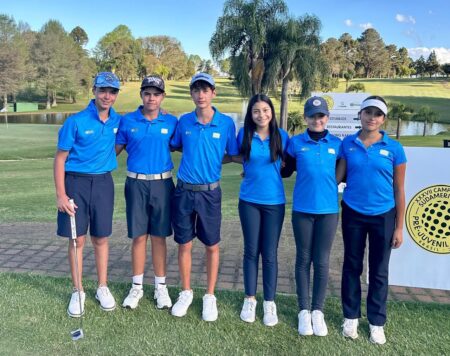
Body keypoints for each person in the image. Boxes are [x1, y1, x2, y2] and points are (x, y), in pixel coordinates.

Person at [336, 95, 406, 345]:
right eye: (368, 112)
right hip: (353, 212)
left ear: (383, 119)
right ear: (360, 115)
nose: (372, 118)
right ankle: (351, 316)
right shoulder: (348, 143)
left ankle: (376, 322)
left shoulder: (394, 148)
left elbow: (399, 189)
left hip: (384, 215)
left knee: (379, 271)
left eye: (377, 114)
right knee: (352, 266)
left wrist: (399, 226)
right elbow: (337, 178)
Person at [169, 73, 239, 322]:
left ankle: (210, 296)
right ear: (192, 94)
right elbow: (175, 145)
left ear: (213, 93)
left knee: (211, 245)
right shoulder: (184, 121)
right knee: (184, 243)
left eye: (205, 90)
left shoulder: (226, 123)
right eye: (196, 90)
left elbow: (232, 153)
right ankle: (186, 292)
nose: (201, 95)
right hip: (184, 190)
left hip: (210, 192)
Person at [54, 72, 121, 317]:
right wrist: (61, 195)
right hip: (75, 184)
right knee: (77, 239)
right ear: (94, 90)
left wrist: (163, 112)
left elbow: (141, 118)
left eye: (112, 91)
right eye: (103, 90)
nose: (107, 96)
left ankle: (102, 287)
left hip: (104, 183)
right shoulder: (76, 121)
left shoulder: (117, 121)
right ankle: (78, 290)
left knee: (101, 238)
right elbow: (60, 159)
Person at [115, 75, 177, 310]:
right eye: (148, 93)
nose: (152, 98)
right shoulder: (127, 120)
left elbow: (186, 145)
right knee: (139, 236)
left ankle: (161, 287)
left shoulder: (171, 121)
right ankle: (137, 287)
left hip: (163, 184)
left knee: (159, 237)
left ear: (162, 97)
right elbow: (113, 151)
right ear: (141, 95)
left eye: (156, 94)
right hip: (136, 183)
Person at [282, 96, 342, 336]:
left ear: (327, 118)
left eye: (321, 116)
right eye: (313, 116)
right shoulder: (295, 143)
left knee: (322, 260)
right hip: (303, 210)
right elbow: (285, 170)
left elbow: (343, 172)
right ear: (305, 118)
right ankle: (303, 311)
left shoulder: (337, 144)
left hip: (328, 212)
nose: (317, 120)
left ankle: (318, 311)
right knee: (303, 259)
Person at [236, 94, 289, 327]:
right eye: (256, 111)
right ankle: (250, 299)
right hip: (248, 201)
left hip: (274, 203)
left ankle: (269, 302)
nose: (261, 115)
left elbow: (292, 162)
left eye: (265, 110)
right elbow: (238, 157)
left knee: (269, 254)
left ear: (272, 112)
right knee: (250, 251)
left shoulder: (282, 137)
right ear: (251, 114)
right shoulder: (244, 135)